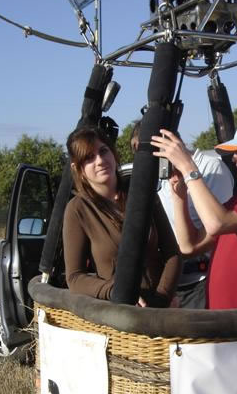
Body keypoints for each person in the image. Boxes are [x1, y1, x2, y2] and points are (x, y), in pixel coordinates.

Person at [150, 116, 237, 309]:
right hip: (221, 320)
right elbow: (189, 246)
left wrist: (188, 168)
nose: (235, 157)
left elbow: (216, 223)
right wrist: (180, 196)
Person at [63, 126, 181, 307]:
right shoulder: (78, 209)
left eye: (103, 151)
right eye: (89, 157)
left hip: (161, 311)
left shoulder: (142, 192)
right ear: (77, 168)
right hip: (120, 313)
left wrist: (162, 297)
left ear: (113, 153)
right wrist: (117, 292)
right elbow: (75, 277)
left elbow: (172, 253)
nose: (100, 160)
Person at [130, 121, 234, 308]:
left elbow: (214, 233)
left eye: (153, 151)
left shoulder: (210, 168)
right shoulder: (153, 176)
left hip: (203, 281)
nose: (147, 160)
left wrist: (184, 182)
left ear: (170, 143)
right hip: (167, 285)